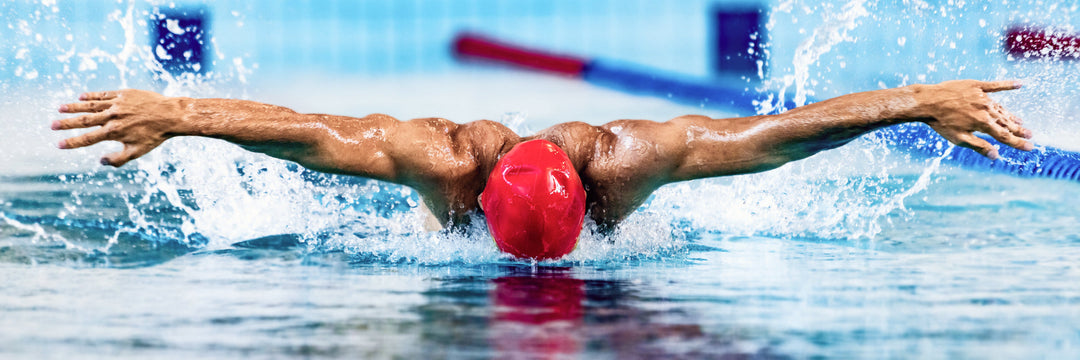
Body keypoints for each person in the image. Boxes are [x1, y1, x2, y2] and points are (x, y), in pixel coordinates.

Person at [52, 80, 1033, 259]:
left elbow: (778, 136)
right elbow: (309, 131)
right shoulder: (438, 165)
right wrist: (180, 117)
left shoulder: (632, 165)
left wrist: (915, 102)